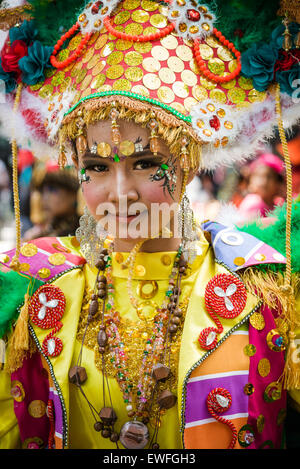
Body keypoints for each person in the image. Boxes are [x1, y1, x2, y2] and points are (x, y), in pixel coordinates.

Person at [0, 0, 299, 451]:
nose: (121, 193)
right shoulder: (33, 289)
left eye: (146, 163)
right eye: (97, 167)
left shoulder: (264, 290)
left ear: (186, 164)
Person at [23, 160, 80, 241]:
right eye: (42, 191)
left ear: (74, 193)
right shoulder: (47, 229)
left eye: (52, 189)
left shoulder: (82, 232)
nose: (45, 197)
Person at [238, 153, 285, 221]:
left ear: (278, 183)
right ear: (250, 180)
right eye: (258, 176)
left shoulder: (278, 203)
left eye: (269, 177)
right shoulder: (253, 202)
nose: (263, 181)